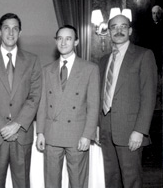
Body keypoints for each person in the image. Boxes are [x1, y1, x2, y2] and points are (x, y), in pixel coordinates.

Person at [0, 13, 42, 188]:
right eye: (6, 28)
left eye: (15, 29)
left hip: (22, 133)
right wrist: (3, 127)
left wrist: (17, 124)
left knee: (22, 183)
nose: (11, 32)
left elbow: (35, 96)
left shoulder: (33, 60)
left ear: (20, 33)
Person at [36, 25, 100, 188]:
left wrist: (87, 135)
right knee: (51, 182)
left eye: (68, 38)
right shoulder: (46, 70)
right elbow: (42, 104)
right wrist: (41, 132)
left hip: (78, 136)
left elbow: (93, 106)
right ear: (56, 41)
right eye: (60, 38)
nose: (63, 42)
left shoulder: (90, 69)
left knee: (78, 182)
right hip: (52, 134)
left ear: (76, 42)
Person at [97, 14, 157, 188]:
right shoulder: (103, 61)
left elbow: (149, 96)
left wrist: (140, 130)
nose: (119, 30)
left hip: (131, 130)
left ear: (130, 30)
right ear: (108, 32)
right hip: (106, 129)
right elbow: (100, 96)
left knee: (132, 180)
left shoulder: (143, 55)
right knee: (111, 179)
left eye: (123, 26)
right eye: (114, 27)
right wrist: (97, 126)